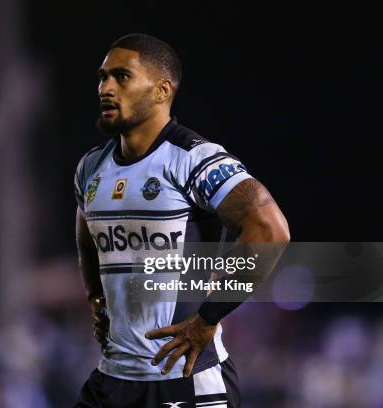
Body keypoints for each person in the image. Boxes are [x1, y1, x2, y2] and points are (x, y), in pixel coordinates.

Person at [73, 33, 290, 408]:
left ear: (161, 90)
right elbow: (87, 236)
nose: (105, 87)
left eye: (121, 77)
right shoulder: (91, 167)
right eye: (102, 76)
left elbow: (270, 230)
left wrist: (208, 318)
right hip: (111, 382)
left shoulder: (195, 159)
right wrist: (95, 295)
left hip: (184, 380)